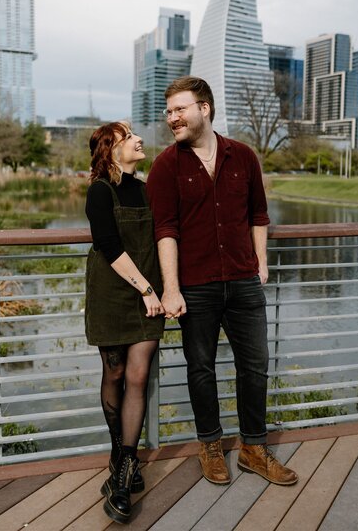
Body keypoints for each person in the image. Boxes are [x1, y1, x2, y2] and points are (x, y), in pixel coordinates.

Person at [146, 76, 298, 487]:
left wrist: (260, 263)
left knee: (256, 365)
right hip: (195, 286)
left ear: (204, 108)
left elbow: (259, 216)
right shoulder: (165, 166)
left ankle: (253, 448)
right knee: (201, 369)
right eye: (169, 112)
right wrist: (171, 287)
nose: (172, 118)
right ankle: (210, 445)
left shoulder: (244, 157)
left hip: (244, 281)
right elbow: (165, 230)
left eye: (180, 109)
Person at [85, 121, 165, 524]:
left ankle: (124, 474)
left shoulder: (147, 189)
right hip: (114, 294)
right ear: (111, 150)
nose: (137, 139)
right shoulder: (100, 191)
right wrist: (147, 289)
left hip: (148, 299)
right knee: (114, 372)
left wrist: (159, 291)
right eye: (127, 136)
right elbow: (110, 247)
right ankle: (119, 454)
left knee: (138, 375)